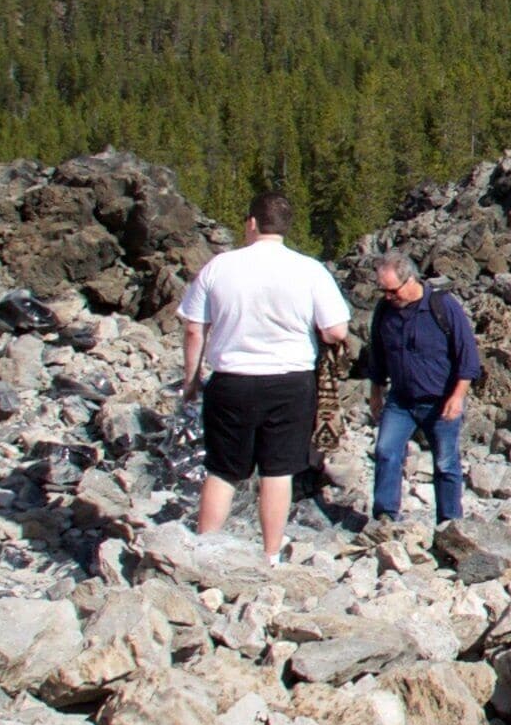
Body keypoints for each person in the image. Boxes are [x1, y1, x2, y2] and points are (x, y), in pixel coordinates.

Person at [175, 193, 353, 561]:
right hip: (290, 381)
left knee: (222, 470)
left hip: (232, 380)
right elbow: (336, 331)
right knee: (277, 471)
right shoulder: (309, 270)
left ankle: (204, 551)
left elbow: (195, 329)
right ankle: (271, 555)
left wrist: (192, 380)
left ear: (252, 223)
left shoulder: (219, 266)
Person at [359, 252, 480, 526]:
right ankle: (385, 517)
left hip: (440, 400)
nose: (388, 297)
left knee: (445, 464)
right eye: (383, 291)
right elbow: (377, 355)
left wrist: (458, 396)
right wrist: (376, 392)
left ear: (410, 279)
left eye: (392, 290)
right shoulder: (384, 310)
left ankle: (449, 524)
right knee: (386, 452)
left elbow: (467, 356)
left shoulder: (442, 306)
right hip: (400, 400)